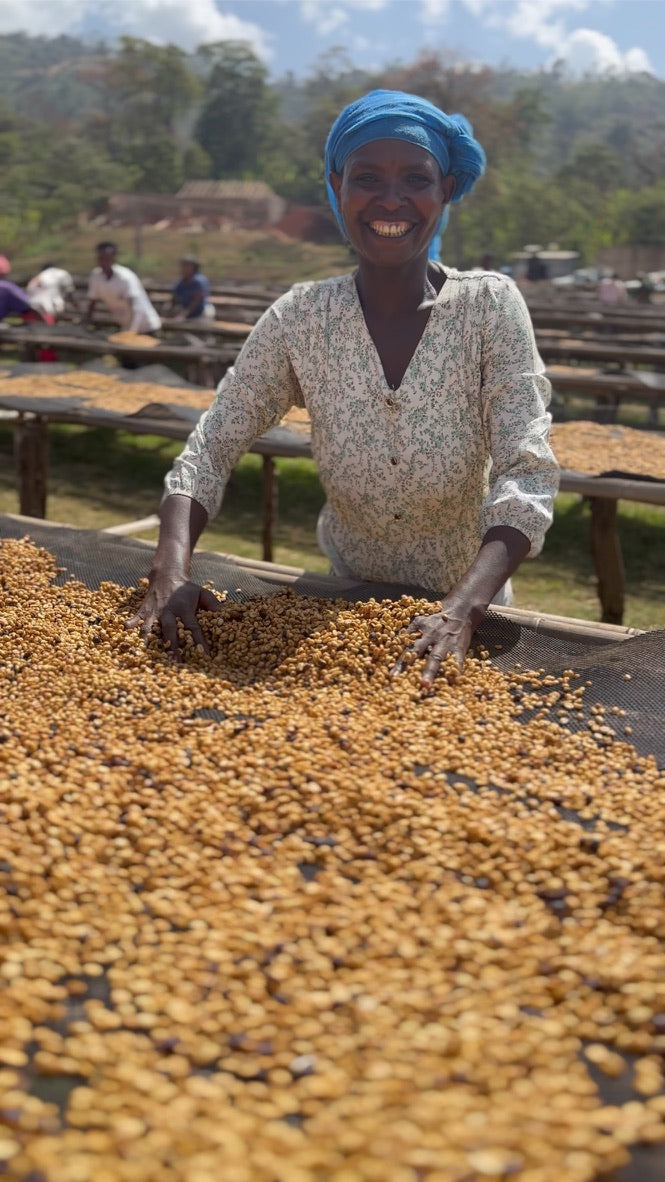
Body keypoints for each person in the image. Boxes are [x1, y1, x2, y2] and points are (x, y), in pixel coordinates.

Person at [130, 89, 559, 685]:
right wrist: (169, 567)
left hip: (468, 615)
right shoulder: (301, 319)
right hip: (341, 606)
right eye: (367, 178)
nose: (392, 199)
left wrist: (463, 607)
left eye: (416, 179)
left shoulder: (488, 308)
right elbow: (212, 445)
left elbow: (526, 471)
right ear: (337, 187)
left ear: (444, 191)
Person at [85, 242, 161, 334]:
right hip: (126, 326)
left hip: (146, 326)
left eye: (107, 258)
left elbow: (135, 307)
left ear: (114, 258)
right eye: (101, 258)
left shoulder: (125, 277)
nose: (104, 262)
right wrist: (86, 324)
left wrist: (132, 331)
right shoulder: (96, 276)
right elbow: (92, 303)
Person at [171, 256, 214, 321]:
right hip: (187, 311)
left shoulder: (199, 280)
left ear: (193, 267)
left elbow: (197, 301)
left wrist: (183, 315)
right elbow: (175, 296)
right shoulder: (181, 281)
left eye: (186, 265)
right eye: (182, 265)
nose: (183, 268)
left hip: (201, 312)